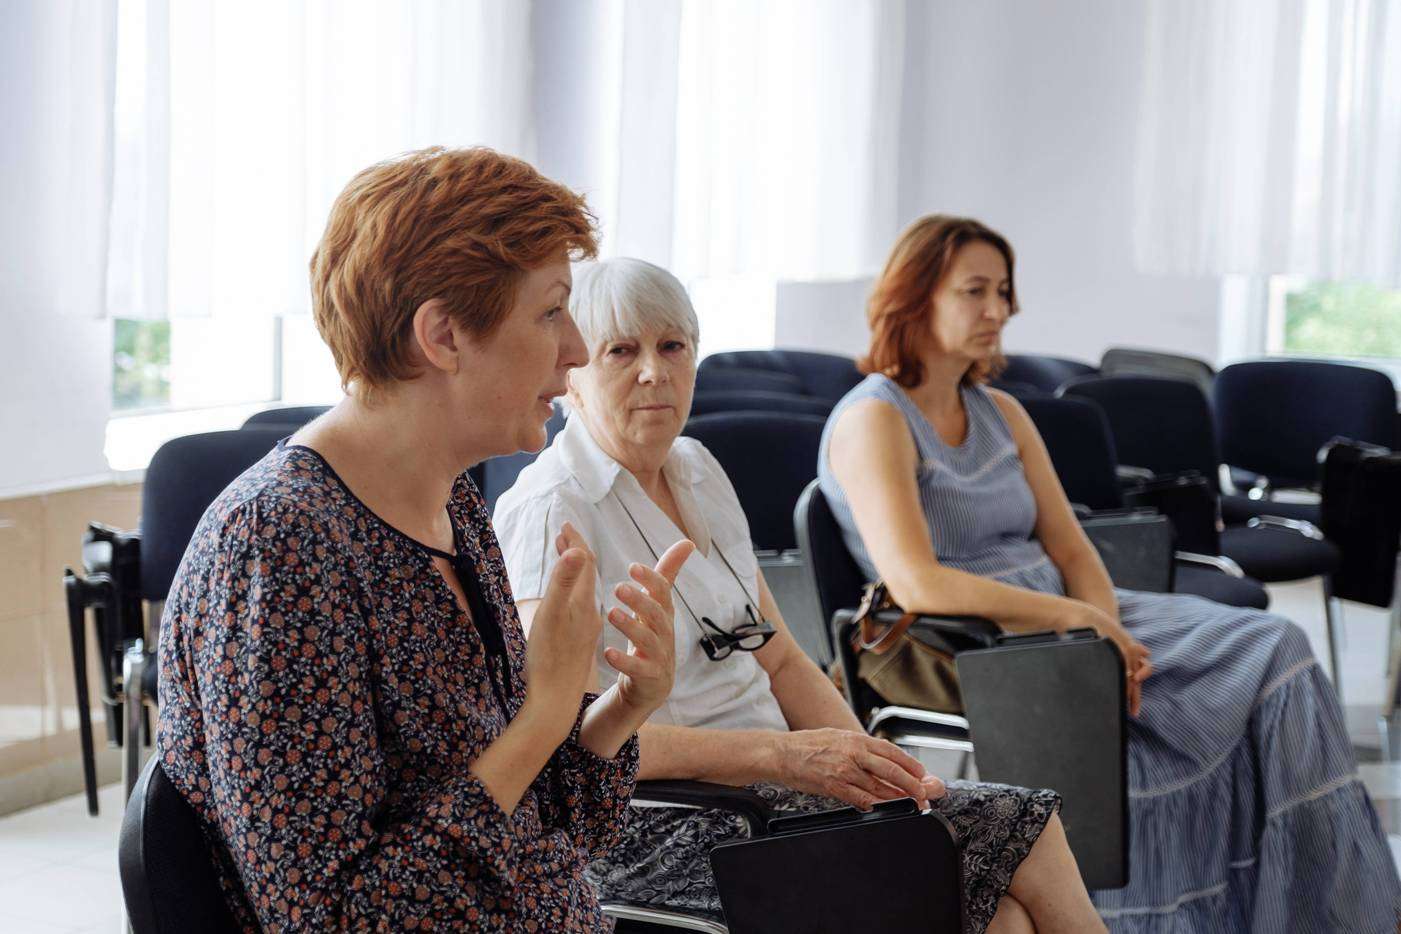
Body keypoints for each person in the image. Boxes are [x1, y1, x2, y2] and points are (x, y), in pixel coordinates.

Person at [157, 147, 696, 931]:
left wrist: (619, 709)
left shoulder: (450, 505)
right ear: (442, 335)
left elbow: (541, 831)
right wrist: (544, 712)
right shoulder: (280, 548)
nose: (576, 348)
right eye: (550, 311)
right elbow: (330, 920)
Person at [818, 214, 1401, 931]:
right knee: (1238, 674)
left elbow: (1071, 550)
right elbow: (917, 584)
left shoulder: (1000, 411)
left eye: (1002, 291)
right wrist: (1082, 626)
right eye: (975, 291)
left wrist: (1107, 631)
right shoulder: (872, 418)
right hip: (973, 637)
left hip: (1065, 614)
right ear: (914, 297)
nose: (997, 310)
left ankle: (1313, 911)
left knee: (1270, 648)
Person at [495, 256, 1108, 934]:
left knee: (1010, 899)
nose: (653, 371)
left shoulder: (696, 467)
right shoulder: (551, 509)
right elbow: (568, 738)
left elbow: (783, 662)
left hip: (777, 787)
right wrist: (779, 756)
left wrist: (881, 778)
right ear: (573, 373)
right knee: (998, 887)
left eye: (672, 346)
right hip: (660, 822)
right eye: (620, 351)